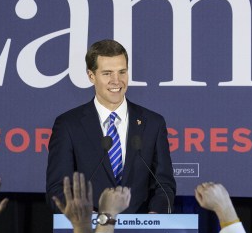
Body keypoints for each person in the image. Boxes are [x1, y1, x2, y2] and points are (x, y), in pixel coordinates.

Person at [46, 39, 176, 214]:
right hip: (89, 232)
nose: (117, 81)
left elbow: (164, 184)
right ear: (91, 76)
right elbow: (58, 189)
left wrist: (154, 217)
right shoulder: (69, 125)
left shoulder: (153, 123)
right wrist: (84, 215)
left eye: (122, 72)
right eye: (107, 73)